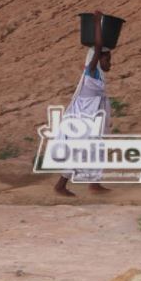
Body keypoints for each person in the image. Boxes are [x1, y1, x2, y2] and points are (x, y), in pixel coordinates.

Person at [54, 10, 113, 197]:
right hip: (83, 117)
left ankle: (94, 184)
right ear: (97, 58)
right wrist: (97, 23)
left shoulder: (100, 75)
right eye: (107, 59)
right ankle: (60, 185)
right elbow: (97, 46)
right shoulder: (91, 70)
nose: (109, 63)